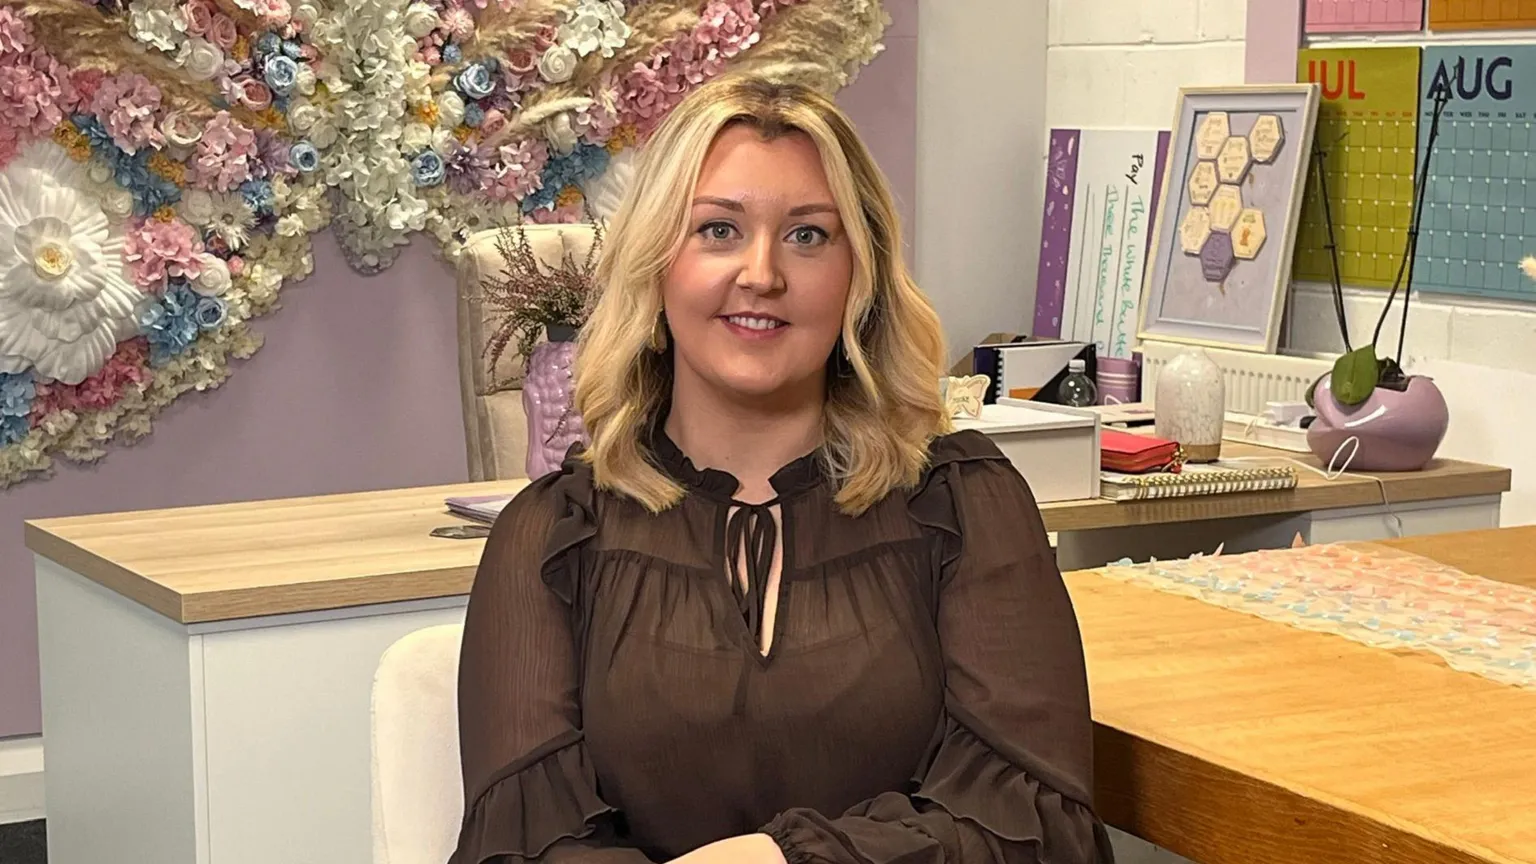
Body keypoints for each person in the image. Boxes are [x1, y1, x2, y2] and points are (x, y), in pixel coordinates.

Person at [451, 72, 1114, 864]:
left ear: (856, 277)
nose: (761, 272)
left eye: (808, 235)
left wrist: (778, 861)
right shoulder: (553, 536)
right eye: (718, 231)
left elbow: (1038, 827)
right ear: (657, 264)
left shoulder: (963, 505)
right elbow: (520, 848)